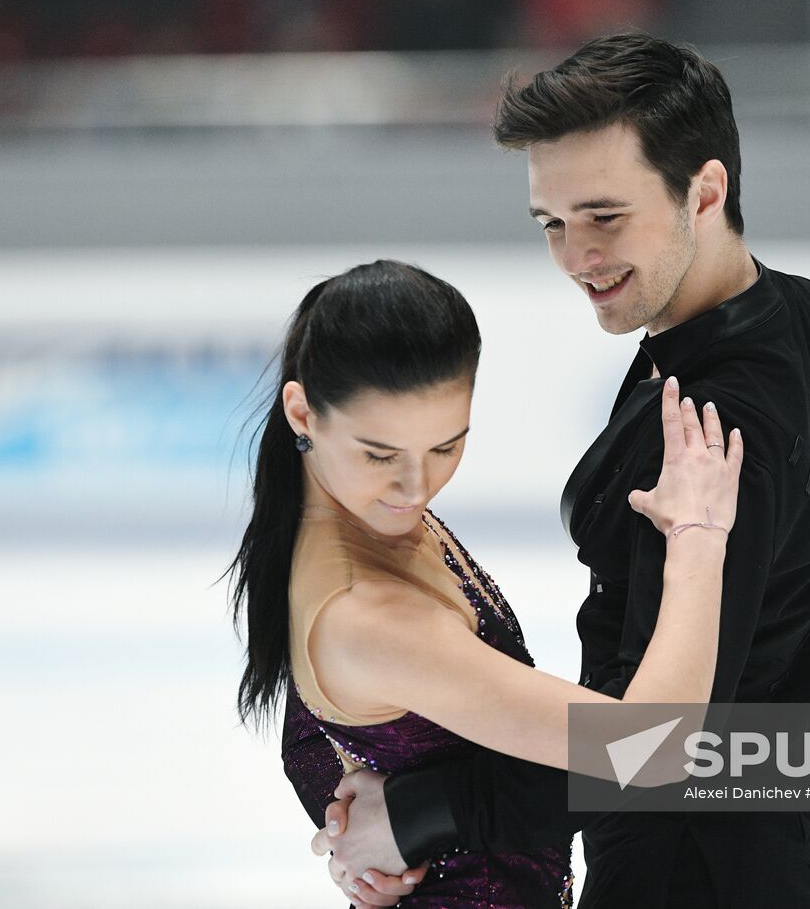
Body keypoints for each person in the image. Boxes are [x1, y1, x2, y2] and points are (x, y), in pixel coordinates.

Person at [306, 34, 810, 908]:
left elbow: (651, 741)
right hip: (809, 861)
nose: (575, 257)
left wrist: (422, 813)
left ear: (704, 191)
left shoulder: (712, 427)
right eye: (552, 224)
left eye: (604, 217)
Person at [226, 258, 747, 907]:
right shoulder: (369, 613)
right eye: (381, 454)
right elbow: (651, 751)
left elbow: (308, 738)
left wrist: (366, 826)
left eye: (446, 446)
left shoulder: (336, 509)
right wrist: (700, 536)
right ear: (302, 411)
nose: (416, 486)